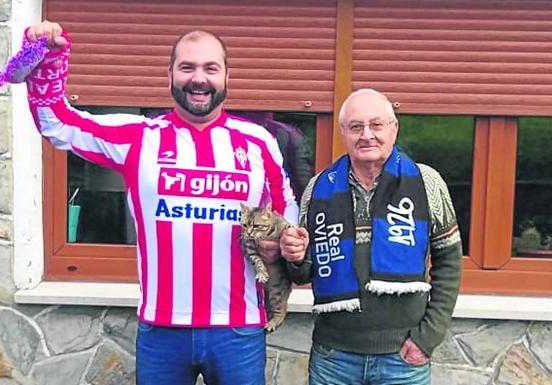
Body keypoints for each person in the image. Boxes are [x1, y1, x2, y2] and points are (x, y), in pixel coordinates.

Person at [24, 21, 298, 385]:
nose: (199, 78)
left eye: (210, 68)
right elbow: (57, 123)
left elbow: (287, 213)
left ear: (226, 75)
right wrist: (50, 57)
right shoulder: (139, 138)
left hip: (238, 329)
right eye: (187, 67)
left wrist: (281, 247)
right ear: (169, 73)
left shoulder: (258, 141)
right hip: (162, 329)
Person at [279, 89, 462, 385]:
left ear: (394, 128)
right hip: (332, 358)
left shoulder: (427, 183)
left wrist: (427, 338)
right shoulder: (317, 189)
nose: (367, 135)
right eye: (356, 127)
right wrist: (295, 256)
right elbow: (303, 272)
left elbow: (449, 264)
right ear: (343, 133)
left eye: (376, 125)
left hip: (402, 359)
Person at [236, 112, 314, 202]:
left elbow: (303, 184)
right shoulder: (289, 133)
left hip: (281, 205)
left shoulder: (287, 134)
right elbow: (303, 186)